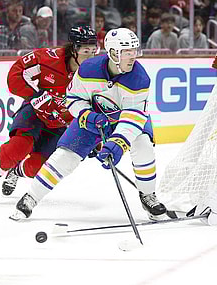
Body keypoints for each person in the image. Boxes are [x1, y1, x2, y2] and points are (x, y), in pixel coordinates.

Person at [10, 28, 168, 221]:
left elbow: (133, 117)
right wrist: (87, 116)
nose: (132, 57)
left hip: (125, 120)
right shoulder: (88, 69)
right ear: (112, 53)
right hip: (93, 119)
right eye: (126, 52)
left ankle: (147, 195)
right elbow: (73, 99)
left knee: (143, 145)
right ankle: (31, 197)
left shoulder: (140, 78)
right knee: (65, 156)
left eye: (134, 51)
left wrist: (118, 143)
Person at [0, 25, 98, 204]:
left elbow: (96, 108)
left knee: (36, 168)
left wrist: (95, 139)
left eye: (94, 51)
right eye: (85, 50)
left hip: (60, 124)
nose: (91, 56)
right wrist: (35, 94)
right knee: (19, 146)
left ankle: (16, 171)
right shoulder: (47, 59)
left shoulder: (95, 74)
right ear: (74, 49)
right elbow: (15, 73)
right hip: (34, 112)